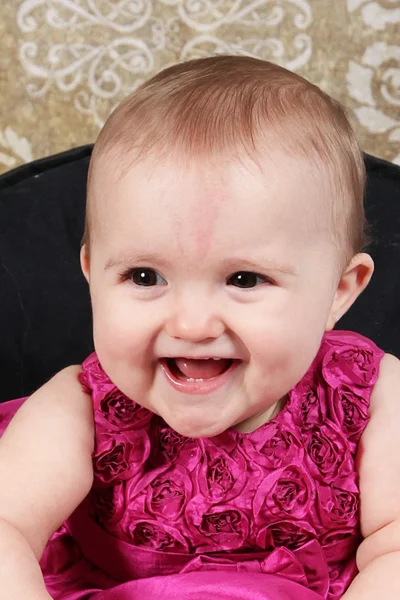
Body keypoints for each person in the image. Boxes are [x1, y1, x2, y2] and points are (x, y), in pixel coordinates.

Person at [0, 55, 399, 600]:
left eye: (244, 278)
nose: (190, 324)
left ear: (339, 290)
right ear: (92, 274)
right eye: (145, 276)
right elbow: (6, 530)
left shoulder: (371, 396)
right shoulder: (77, 409)